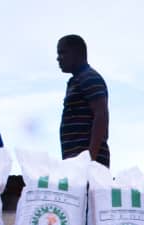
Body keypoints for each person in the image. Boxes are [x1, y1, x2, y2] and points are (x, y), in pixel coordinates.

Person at [57, 34, 109, 167]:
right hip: (76, 161)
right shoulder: (75, 81)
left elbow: (101, 115)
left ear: (77, 53)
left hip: (88, 163)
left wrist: (90, 158)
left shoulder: (89, 77)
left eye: (62, 53)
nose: (58, 58)